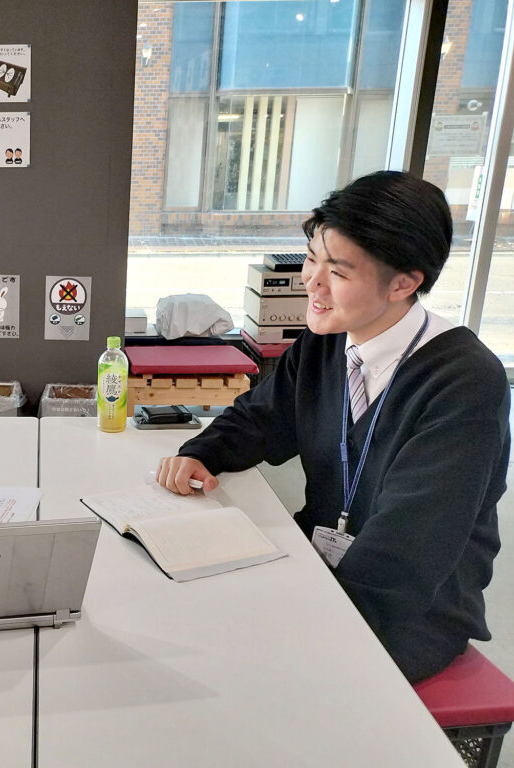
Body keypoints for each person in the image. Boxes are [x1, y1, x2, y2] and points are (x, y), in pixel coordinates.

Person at [156, 171, 510, 683]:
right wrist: (202, 453)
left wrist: (300, 622)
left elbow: (408, 554)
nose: (312, 282)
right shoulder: (328, 340)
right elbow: (260, 417)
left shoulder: (464, 382)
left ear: (404, 283)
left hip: (408, 612)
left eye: (338, 272)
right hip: (318, 567)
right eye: (311, 259)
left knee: (234, 671)